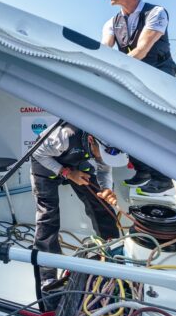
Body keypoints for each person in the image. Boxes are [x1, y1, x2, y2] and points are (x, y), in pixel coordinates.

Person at [100, 0, 176, 196]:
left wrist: (114, 71)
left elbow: (142, 50)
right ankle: (143, 170)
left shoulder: (156, 12)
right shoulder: (112, 23)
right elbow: (105, 51)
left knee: (151, 125)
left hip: (159, 74)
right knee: (123, 120)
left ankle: (163, 179)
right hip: (132, 74)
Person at [30, 121, 125, 287]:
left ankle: (112, 253)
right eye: (101, 154)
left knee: (101, 205)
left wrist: (106, 189)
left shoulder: (103, 145)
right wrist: (67, 173)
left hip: (75, 162)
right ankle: (48, 276)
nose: (102, 158)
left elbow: (104, 167)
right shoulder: (64, 136)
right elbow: (37, 153)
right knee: (48, 217)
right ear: (90, 140)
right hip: (45, 166)